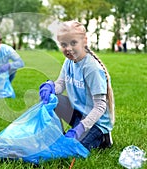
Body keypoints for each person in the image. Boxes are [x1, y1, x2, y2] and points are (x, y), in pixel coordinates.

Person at [39, 21, 115, 151]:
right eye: (64, 44)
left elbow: (100, 106)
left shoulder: (92, 68)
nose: (68, 48)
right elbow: (60, 84)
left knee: (72, 149)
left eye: (73, 43)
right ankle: (60, 136)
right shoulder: (69, 61)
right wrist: (50, 86)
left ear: (84, 41)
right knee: (52, 99)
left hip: (95, 123)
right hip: (78, 114)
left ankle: (103, 138)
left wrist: (80, 129)